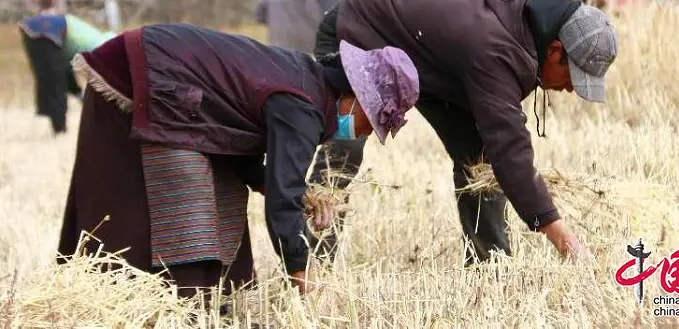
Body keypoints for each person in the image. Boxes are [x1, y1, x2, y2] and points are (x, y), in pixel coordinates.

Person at [57, 23, 419, 300]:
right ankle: (168, 299)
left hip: (156, 69)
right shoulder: (302, 105)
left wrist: (303, 197)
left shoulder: (308, 86)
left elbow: (244, 162)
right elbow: (282, 199)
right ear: (355, 99)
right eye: (370, 124)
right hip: (141, 75)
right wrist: (301, 272)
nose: (364, 134)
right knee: (185, 189)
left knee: (224, 187)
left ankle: (212, 301)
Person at [308, 0, 618, 265]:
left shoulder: (539, 17)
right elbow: (510, 149)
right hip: (360, 32)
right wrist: (562, 238)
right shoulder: (495, 46)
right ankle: (309, 267)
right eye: (572, 77)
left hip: (435, 64)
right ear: (554, 50)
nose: (570, 89)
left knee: (479, 157)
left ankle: (490, 265)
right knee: (343, 151)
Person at [18, 13, 116, 134]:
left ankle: (59, 128)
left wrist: (80, 95)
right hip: (51, 30)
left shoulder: (92, 42)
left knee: (53, 79)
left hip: (35, 29)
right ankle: (60, 130)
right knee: (56, 84)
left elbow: (67, 70)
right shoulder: (100, 49)